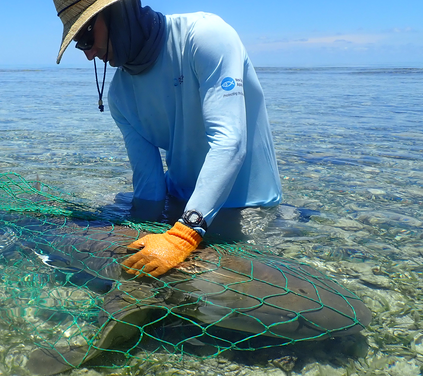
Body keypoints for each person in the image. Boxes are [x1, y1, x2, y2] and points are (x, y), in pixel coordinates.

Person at [52, 0, 283, 277]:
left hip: (248, 211)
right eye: (80, 44)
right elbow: (149, 189)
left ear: (119, 11)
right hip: (178, 208)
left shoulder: (206, 36)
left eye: (86, 37)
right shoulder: (120, 97)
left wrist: (184, 236)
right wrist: (138, 233)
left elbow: (230, 142)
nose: (89, 54)